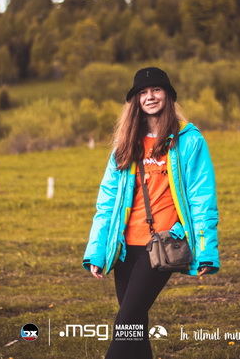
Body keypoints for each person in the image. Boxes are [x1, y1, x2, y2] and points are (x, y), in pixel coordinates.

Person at [82, 67, 220, 359]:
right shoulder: (126, 144)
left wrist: (207, 250)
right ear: (136, 101)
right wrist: (97, 251)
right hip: (124, 246)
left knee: (125, 324)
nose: (150, 96)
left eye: (156, 89)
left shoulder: (189, 141)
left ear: (167, 95)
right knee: (135, 327)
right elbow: (107, 202)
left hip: (161, 245)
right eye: (143, 92)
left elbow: (202, 197)